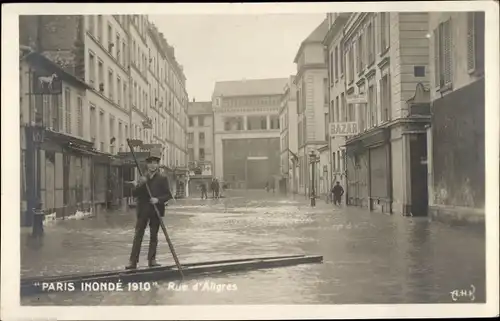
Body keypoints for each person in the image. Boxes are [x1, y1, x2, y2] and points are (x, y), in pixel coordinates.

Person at [125, 148, 173, 270]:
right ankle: (132, 262)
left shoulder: (162, 178)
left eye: (155, 163)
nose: (152, 165)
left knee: (153, 236)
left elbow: (168, 195)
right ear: (147, 165)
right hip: (143, 211)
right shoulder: (142, 178)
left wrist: (158, 200)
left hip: (156, 211)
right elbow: (134, 193)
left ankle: (152, 260)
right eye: (150, 163)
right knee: (138, 236)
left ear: (158, 165)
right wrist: (141, 184)